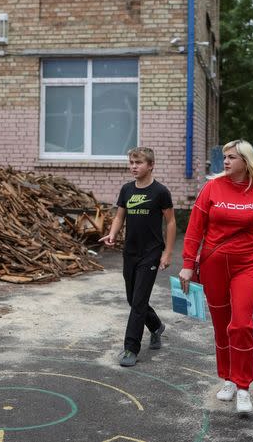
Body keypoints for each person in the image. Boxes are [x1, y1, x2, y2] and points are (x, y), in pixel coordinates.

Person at [178, 139, 253, 415]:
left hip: (247, 265)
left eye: (232, 157)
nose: (225, 161)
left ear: (245, 162)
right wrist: (189, 264)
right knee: (222, 325)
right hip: (213, 265)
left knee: (242, 325)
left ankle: (244, 386)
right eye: (224, 156)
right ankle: (228, 379)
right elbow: (194, 228)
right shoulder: (212, 187)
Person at [101, 146, 176, 368]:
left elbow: (171, 222)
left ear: (151, 165)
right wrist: (113, 233)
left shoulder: (160, 191)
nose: (134, 166)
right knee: (133, 299)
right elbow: (119, 216)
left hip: (151, 253)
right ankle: (156, 326)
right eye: (131, 163)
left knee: (139, 301)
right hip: (130, 252)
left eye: (139, 163)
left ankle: (130, 348)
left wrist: (167, 253)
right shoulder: (126, 190)